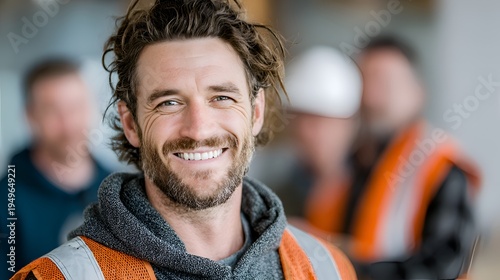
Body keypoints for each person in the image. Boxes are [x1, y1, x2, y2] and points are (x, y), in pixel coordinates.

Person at [12, 1, 357, 279]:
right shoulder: (56, 276)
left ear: (255, 113)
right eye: (169, 103)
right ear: (131, 123)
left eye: (221, 97)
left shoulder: (329, 268)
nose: (199, 129)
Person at [315, 37, 480, 279]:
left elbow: (443, 268)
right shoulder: (346, 166)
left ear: (417, 93)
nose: (370, 98)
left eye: (385, 84)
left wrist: (351, 267)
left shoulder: (441, 166)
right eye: (362, 83)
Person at [0, 59, 109, 279]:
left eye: (76, 107)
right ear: (31, 116)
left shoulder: (118, 189)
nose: (68, 123)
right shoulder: (5, 200)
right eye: (52, 111)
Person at [275, 46, 362, 225]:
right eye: (299, 119)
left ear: (349, 123)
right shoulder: (278, 185)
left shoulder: (369, 189)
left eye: (319, 121)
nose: (306, 132)